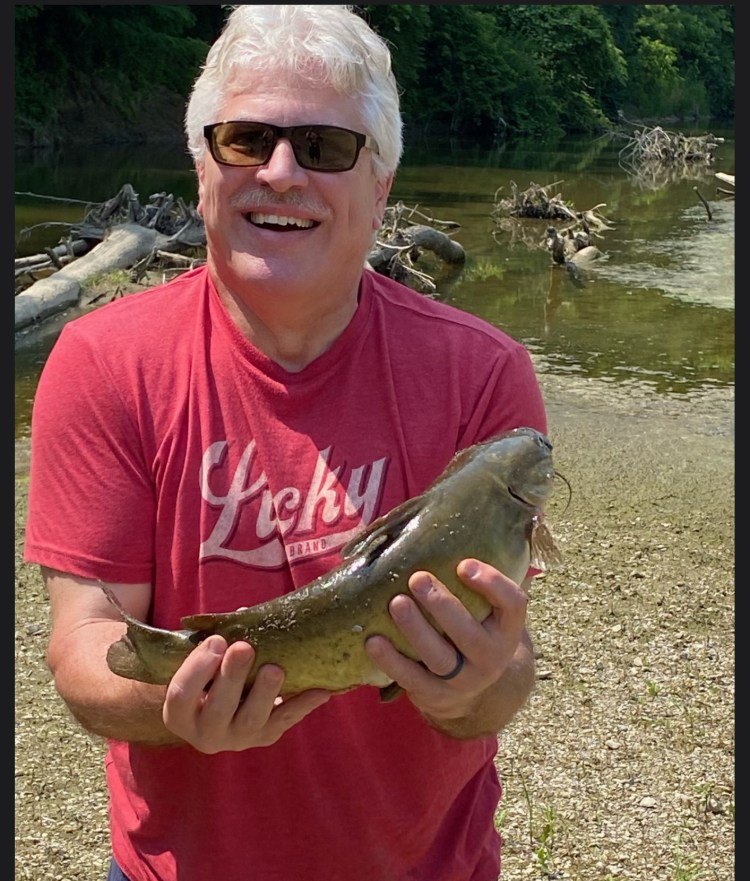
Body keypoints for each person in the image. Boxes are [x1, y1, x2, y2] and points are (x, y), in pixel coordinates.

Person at [24, 6, 548, 881]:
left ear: (380, 188)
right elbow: (87, 642)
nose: (279, 172)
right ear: (202, 170)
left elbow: (506, 666)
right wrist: (172, 702)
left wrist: (474, 685)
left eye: (324, 147)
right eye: (245, 139)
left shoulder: (482, 372)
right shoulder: (103, 363)